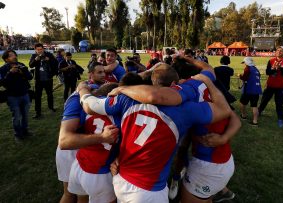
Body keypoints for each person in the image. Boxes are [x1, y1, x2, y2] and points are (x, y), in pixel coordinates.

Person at [77, 65, 231, 203]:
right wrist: (210, 84)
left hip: (121, 178)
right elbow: (225, 110)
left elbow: (91, 105)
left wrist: (82, 89)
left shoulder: (126, 99)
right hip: (148, 190)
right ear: (174, 85)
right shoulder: (186, 109)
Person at [56, 63, 112, 203]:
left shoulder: (99, 91)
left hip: (85, 150)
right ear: (90, 75)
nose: (103, 75)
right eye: (99, 72)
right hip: (71, 149)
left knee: (82, 194)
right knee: (69, 194)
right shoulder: (77, 97)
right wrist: (102, 137)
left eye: (104, 72)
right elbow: (64, 141)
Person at [0, 50, 33, 141]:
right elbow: (2, 83)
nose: (14, 56)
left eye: (14, 54)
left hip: (25, 94)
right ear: (6, 59)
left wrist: (22, 72)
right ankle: (18, 134)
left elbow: (30, 77)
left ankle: (25, 131)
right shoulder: (3, 69)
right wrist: (9, 73)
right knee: (17, 116)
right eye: (11, 55)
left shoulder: (21, 65)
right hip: (12, 97)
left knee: (25, 115)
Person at [258, 46, 283, 127]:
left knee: (279, 103)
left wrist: (280, 68)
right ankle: (258, 112)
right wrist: (274, 69)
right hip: (270, 85)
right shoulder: (271, 60)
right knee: (264, 100)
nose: (279, 52)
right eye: (277, 50)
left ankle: (280, 119)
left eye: (281, 51)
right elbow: (267, 72)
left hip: (281, 86)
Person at [29, 43, 58, 119]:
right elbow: (31, 65)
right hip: (38, 80)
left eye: (41, 49)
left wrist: (49, 60)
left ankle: (51, 107)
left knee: (50, 94)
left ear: (43, 49)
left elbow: (56, 63)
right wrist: (35, 60)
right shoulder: (34, 56)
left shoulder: (49, 55)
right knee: (37, 96)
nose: (39, 51)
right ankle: (38, 112)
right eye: (38, 50)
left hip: (48, 79)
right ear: (35, 50)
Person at [239, 57, 262, 126]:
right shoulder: (256, 69)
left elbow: (244, 78)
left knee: (242, 103)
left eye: (244, 63)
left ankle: (243, 115)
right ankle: (255, 121)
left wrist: (239, 75)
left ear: (247, 63)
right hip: (256, 90)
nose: (244, 64)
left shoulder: (247, 68)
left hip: (248, 90)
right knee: (254, 106)